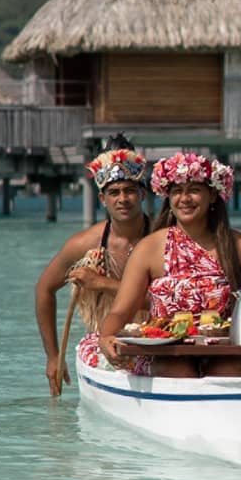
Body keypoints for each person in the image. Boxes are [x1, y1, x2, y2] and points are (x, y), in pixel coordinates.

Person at [99, 152, 241, 378]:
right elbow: (121, 311)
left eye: (194, 190)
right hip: (163, 353)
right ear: (169, 198)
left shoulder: (238, 245)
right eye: (177, 191)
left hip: (225, 352)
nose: (185, 198)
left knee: (230, 371)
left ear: (213, 195)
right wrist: (106, 337)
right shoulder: (149, 248)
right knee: (179, 370)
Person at [35, 136, 152, 395]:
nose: (123, 199)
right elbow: (44, 289)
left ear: (142, 193)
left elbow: (173, 301)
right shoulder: (85, 244)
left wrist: (101, 284)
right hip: (105, 341)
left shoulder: (163, 239)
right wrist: (53, 356)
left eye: (130, 191)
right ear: (102, 198)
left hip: (157, 339)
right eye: (114, 193)